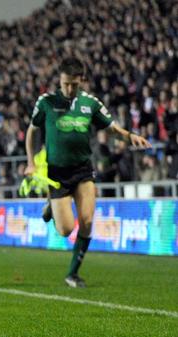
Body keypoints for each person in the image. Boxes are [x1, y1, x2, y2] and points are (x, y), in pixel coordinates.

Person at [24, 57, 151, 288]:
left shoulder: (90, 103)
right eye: (65, 84)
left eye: (74, 84)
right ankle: (52, 204)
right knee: (65, 229)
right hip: (57, 175)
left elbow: (111, 128)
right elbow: (31, 132)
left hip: (83, 170)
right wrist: (31, 162)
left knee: (88, 220)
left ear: (81, 80)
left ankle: (72, 274)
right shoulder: (46, 102)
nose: (70, 89)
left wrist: (129, 135)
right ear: (60, 81)